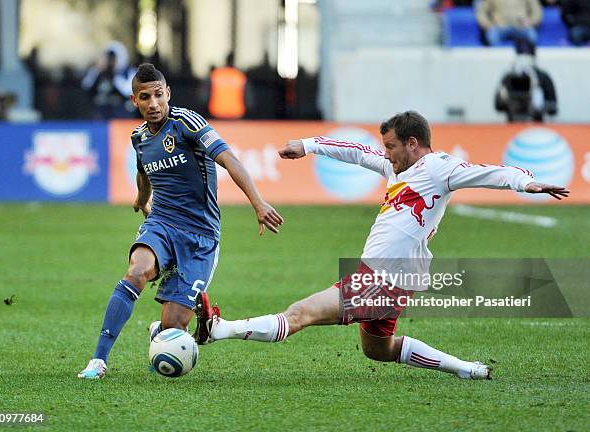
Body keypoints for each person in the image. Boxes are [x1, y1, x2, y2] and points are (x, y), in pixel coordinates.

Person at [195, 111, 569, 380]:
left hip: (384, 278)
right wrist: (307, 145)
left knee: (299, 314)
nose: (385, 153)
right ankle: (465, 368)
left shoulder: (440, 168)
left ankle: (220, 329)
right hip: (388, 277)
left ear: (412, 143)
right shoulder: (398, 167)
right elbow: (357, 153)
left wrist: (526, 183)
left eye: (391, 146)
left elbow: (489, 172)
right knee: (379, 350)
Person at [78, 63, 284, 379]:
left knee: (174, 327)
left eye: (158, 95)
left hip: (201, 236)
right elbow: (143, 171)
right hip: (162, 222)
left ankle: (162, 329)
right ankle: (98, 360)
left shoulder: (187, 123)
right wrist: (141, 197)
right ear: (135, 101)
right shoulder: (139, 137)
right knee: (137, 271)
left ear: (168, 94)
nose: (153, 103)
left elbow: (229, 160)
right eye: (145, 97)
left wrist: (258, 203)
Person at [495, 38, 557, 122]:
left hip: (535, 125)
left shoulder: (543, 77)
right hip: (512, 124)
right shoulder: (509, 77)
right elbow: (498, 107)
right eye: (521, 54)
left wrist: (541, 104)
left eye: (527, 55)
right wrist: (505, 99)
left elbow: (553, 109)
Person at [81, 41, 137, 119]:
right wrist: (96, 69)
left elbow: (127, 91)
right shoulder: (99, 72)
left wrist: (114, 75)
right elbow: (85, 86)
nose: (110, 61)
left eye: (113, 58)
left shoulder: (130, 72)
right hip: (101, 115)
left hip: (122, 116)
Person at [476, 0, 543, 46]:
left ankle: (530, 61)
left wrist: (530, 22)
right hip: (500, 27)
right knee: (492, 34)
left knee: (532, 34)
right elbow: (481, 12)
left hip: (521, 27)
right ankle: (497, 60)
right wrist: (488, 25)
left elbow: (537, 12)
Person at [207, 52, 247, 119]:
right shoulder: (239, 75)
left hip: (217, 111)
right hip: (236, 112)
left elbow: (205, 95)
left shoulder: (216, 74)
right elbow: (247, 96)